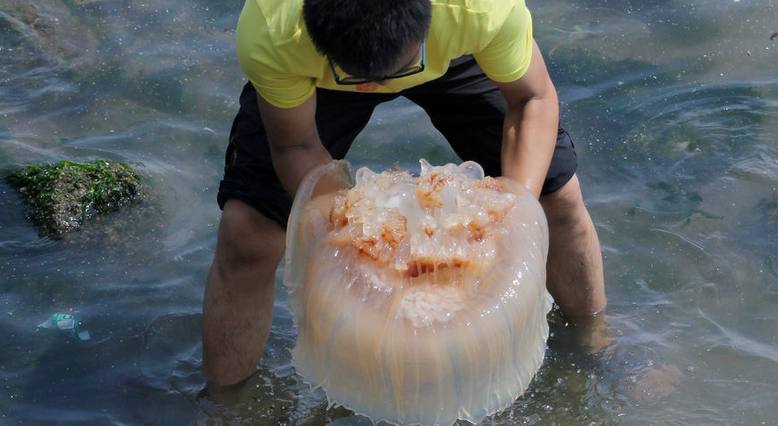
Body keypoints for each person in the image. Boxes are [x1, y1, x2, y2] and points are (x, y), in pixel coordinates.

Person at [202, 0, 607, 386]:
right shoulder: (275, 30)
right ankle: (227, 416)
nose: (382, 86)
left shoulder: (478, 8)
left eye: (395, 72)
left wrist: (515, 208)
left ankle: (593, 345)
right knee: (247, 233)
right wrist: (350, 226)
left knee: (557, 199)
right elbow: (295, 146)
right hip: (322, 71)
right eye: (367, 79)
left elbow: (532, 98)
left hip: (451, 49)